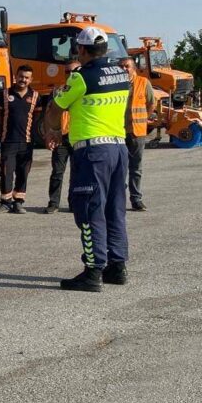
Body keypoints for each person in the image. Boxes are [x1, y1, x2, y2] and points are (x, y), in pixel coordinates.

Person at [44, 27, 131, 292]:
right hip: (119, 148)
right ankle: (117, 267)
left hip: (93, 152)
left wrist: (54, 131)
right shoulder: (122, 74)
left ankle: (93, 271)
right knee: (114, 208)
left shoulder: (81, 78)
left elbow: (55, 107)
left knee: (89, 209)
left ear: (81, 50)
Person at [0, 65, 39, 214]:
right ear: (16, 77)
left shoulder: (36, 96)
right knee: (6, 172)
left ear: (30, 79)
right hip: (8, 141)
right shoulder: (5, 94)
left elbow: (37, 118)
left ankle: (18, 202)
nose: (23, 80)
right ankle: (5, 202)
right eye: (21, 76)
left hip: (26, 142)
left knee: (23, 172)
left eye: (26, 77)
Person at [120, 57, 156, 211]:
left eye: (127, 66)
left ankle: (136, 199)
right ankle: (118, 200)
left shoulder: (143, 82)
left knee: (136, 168)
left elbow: (151, 103)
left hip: (137, 132)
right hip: (118, 131)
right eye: (121, 66)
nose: (124, 69)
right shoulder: (116, 85)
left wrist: (144, 119)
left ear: (133, 68)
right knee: (119, 168)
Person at [46, 60, 81, 213]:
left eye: (74, 71)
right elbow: (49, 114)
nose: (70, 74)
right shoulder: (57, 91)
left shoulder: (84, 90)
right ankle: (53, 203)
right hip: (61, 137)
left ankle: (74, 203)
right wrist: (50, 133)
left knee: (77, 173)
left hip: (77, 137)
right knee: (57, 172)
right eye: (67, 71)